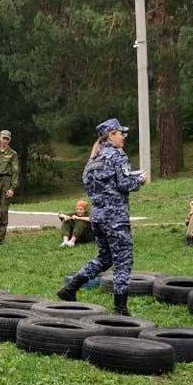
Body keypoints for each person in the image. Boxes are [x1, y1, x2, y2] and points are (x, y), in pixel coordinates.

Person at [57, 119, 146, 315]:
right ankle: (121, 308)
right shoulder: (117, 155)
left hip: (98, 216)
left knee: (104, 258)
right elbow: (124, 184)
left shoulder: (93, 159)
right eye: (121, 133)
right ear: (111, 134)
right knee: (123, 260)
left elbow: (87, 183)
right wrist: (139, 180)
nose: (123, 136)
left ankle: (70, 287)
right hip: (115, 217)